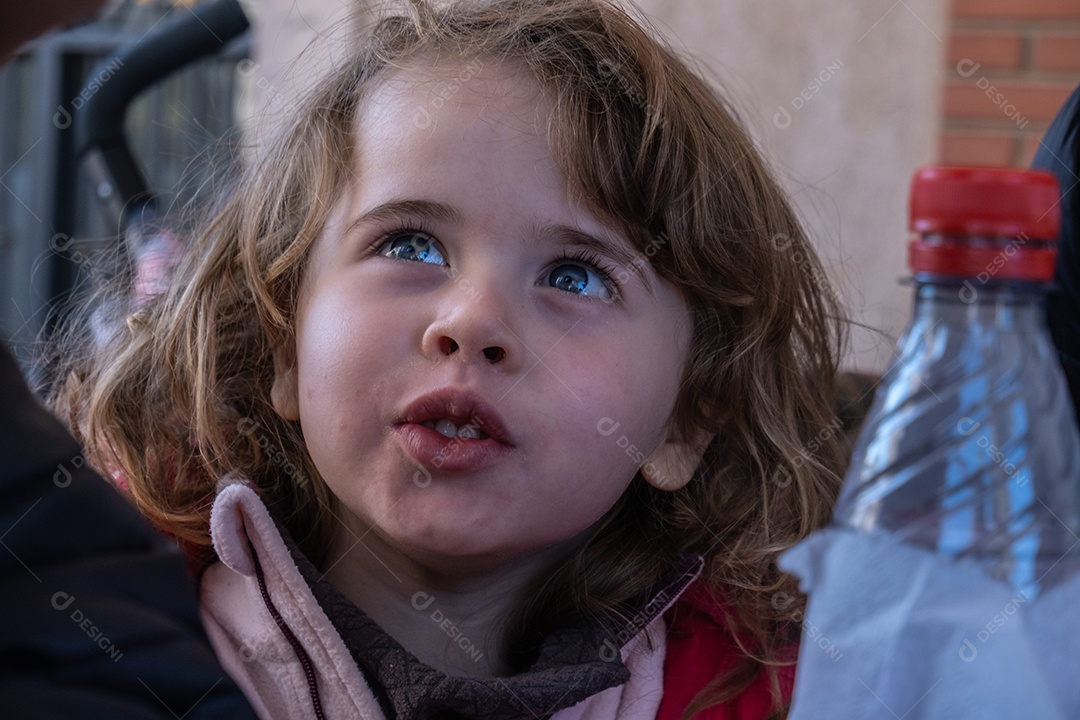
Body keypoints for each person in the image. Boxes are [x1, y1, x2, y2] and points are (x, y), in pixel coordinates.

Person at [52, 0, 847, 717]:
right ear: (283, 343)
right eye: (410, 245)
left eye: (575, 277)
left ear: (685, 423)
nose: (472, 321)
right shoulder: (87, 634)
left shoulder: (793, 696)